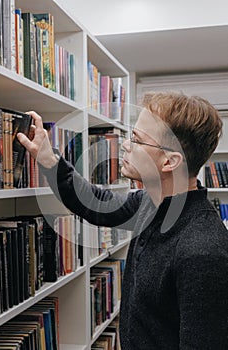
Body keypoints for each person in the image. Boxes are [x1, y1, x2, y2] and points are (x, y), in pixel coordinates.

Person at [17, 92, 228, 349]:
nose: (126, 145)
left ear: (170, 161)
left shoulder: (203, 250)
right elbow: (94, 202)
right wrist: (48, 158)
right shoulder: (150, 204)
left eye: (137, 140)